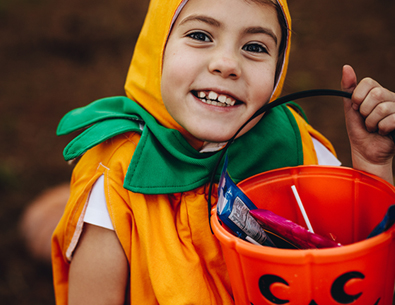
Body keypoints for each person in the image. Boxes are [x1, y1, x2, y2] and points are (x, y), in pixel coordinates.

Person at [51, 0, 395, 304]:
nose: (227, 64)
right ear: (157, 46)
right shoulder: (117, 175)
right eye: (201, 36)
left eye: (256, 46)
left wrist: (372, 165)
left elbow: (369, 275)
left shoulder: (297, 147)